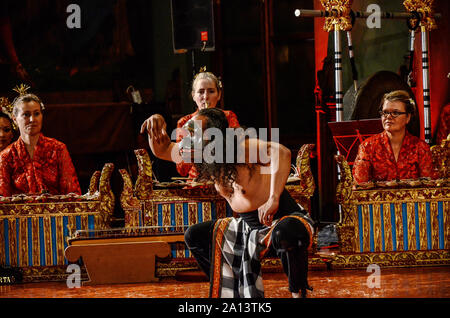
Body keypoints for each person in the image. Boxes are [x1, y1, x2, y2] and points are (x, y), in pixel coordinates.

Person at [143, 107, 314, 298]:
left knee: (287, 231)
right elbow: (164, 150)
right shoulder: (201, 154)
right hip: (246, 228)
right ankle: (231, 287)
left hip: (281, 217)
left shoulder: (240, 147)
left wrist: (273, 198)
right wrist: (155, 122)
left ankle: (298, 292)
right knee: (194, 235)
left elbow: (281, 153)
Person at [140, 69, 240, 180]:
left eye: (211, 91)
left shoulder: (228, 117)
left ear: (219, 94)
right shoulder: (185, 122)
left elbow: (236, 153)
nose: (206, 97)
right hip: (196, 183)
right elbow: (182, 169)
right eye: (201, 92)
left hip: (224, 179)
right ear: (193, 95)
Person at [0, 93, 81, 196]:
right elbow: (2, 201)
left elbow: (73, 193)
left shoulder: (58, 149)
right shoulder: (6, 156)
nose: (32, 119)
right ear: (15, 119)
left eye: (36, 113)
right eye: (26, 114)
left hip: (57, 211)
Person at [352, 90, 436, 184]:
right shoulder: (367, 147)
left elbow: (429, 188)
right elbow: (359, 188)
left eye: (395, 113)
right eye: (385, 112)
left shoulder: (421, 148)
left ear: (408, 117)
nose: (388, 117)